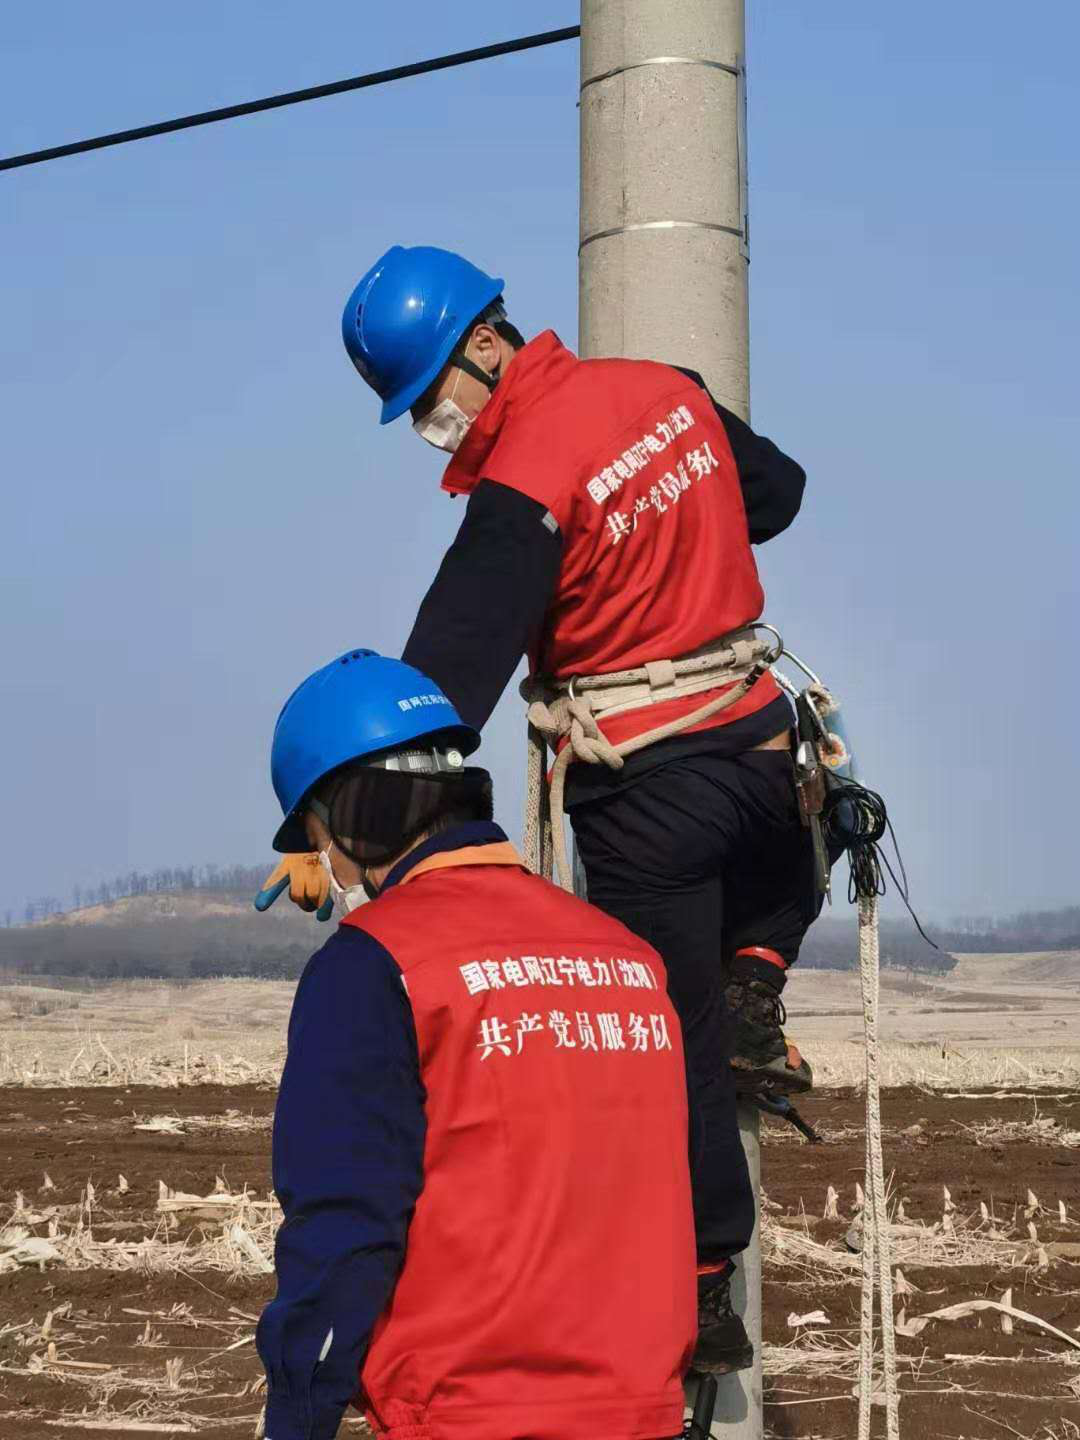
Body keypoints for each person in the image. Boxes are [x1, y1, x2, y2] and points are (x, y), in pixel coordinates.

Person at [263, 244, 818, 1366]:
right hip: (767, 758)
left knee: (675, 1049)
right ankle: (761, 977)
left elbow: (434, 695)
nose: (438, 427)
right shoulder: (665, 391)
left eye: (431, 403)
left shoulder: (522, 483)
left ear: (483, 344)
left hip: (652, 795)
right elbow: (778, 495)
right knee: (799, 855)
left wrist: (324, 822)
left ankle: (703, 1291)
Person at [256, 648, 700, 1440]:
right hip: (646, 1413)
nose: (326, 862)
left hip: (470, 1413)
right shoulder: (628, 960)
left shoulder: (373, 965)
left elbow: (342, 1228)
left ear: (350, 813)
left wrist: (298, 1411)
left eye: (320, 836)